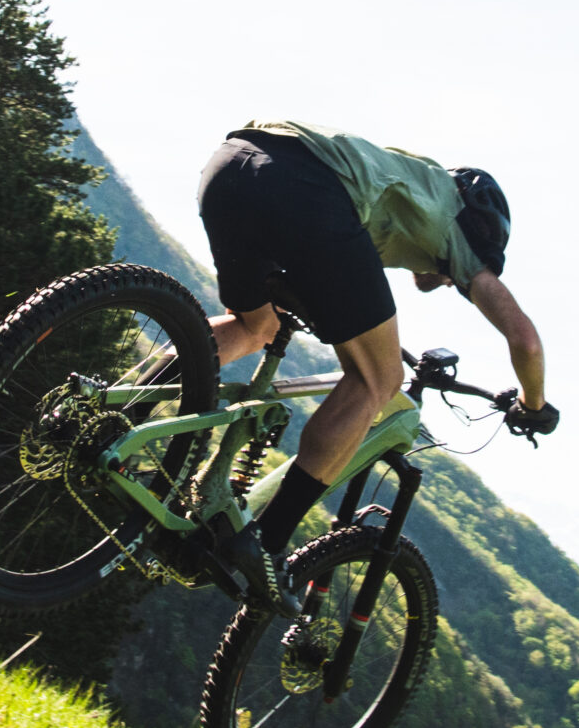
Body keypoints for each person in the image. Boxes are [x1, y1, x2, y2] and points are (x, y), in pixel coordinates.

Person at [194, 121, 558, 607]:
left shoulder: (413, 179)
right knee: (380, 378)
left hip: (232, 164)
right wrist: (533, 406)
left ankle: (123, 407)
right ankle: (267, 540)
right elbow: (525, 342)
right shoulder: (462, 238)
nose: (450, 280)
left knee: (254, 325)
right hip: (305, 190)